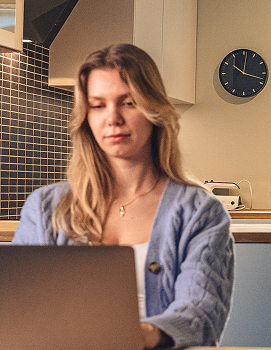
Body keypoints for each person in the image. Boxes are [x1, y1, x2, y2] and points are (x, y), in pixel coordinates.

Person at [12, 44, 234, 349]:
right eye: (98, 105)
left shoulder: (200, 212)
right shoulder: (45, 207)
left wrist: (136, 336)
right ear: (85, 116)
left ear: (153, 109)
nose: (113, 118)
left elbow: (202, 313)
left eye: (128, 103)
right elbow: (18, 306)